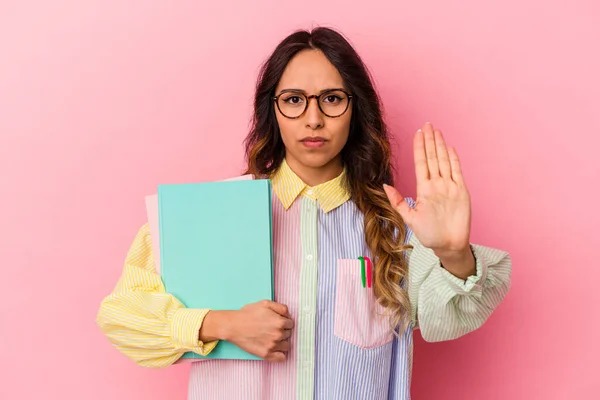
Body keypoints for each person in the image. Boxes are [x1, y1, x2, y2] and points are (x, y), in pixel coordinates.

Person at [96, 27, 511, 400]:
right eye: (294, 100)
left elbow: (450, 318)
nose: (314, 119)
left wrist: (454, 255)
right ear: (272, 111)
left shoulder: (399, 223)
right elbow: (122, 316)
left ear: (355, 109)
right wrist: (220, 324)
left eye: (332, 99)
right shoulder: (209, 214)